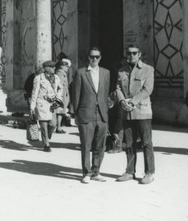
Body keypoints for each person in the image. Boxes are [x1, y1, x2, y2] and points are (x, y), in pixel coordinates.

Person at [116, 45, 155, 185]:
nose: (131, 55)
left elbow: (147, 89)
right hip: (127, 112)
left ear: (139, 54)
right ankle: (130, 172)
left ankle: (149, 172)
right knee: (129, 144)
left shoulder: (148, 69)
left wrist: (132, 102)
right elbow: (118, 88)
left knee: (146, 143)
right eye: (129, 53)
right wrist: (121, 101)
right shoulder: (122, 71)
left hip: (143, 111)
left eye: (134, 53)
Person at [71, 47, 110, 184]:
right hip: (85, 114)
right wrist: (75, 114)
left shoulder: (106, 73)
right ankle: (86, 172)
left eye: (97, 57)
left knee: (100, 145)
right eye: (92, 57)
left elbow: (105, 94)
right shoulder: (81, 73)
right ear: (88, 57)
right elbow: (75, 95)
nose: (94, 59)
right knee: (86, 145)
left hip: (102, 115)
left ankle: (96, 171)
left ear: (100, 58)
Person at [29, 60, 63, 152]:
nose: (54, 68)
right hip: (41, 104)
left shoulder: (56, 78)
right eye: (52, 67)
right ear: (46, 68)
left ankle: (47, 137)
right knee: (43, 124)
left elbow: (60, 88)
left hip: (52, 104)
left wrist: (59, 98)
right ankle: (46, 144)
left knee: (53, 124)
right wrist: (32, 107)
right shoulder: (38, 78)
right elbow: (34, 93)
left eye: (54, 67)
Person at [54, 59, 71, 133]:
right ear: (62, 66)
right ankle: (58, 127)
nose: (67, 68)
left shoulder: (62, 73)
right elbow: (59, 85)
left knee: (61, 111)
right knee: (60, 111)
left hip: (64, 93)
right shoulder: (60, 73)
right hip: (62, 94)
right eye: (66, 67)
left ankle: (58, 126)